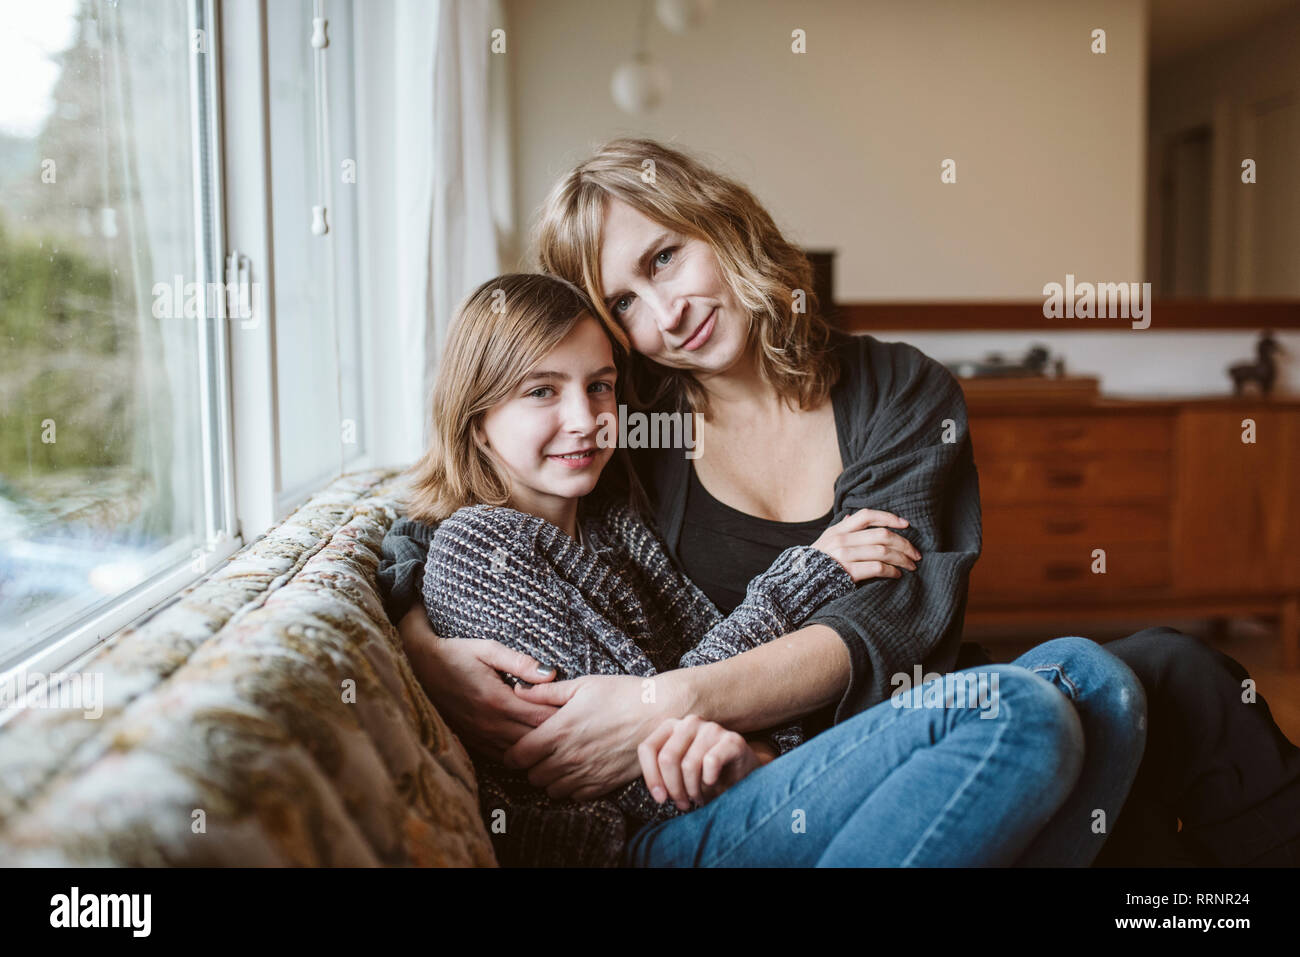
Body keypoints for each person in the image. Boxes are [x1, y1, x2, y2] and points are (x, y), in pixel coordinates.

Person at [384, 137, 1299, 867]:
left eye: (665, 259)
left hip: (875, 722)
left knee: (1152, 670)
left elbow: (892, 617)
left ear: (719, 223)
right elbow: (448, 516)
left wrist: (668, 699)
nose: (663, 314)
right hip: (730, 782)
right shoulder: (629, 428)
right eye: (624, 302)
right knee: (1104, 712)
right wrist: (421, 642)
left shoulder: (896, 389)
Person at [398, 271, 1145, 867]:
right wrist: (810, 570)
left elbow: (675, 691)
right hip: (637, 844)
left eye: (599, 386)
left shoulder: (615, 523)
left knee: (1089, 677)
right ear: (477, 419)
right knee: (1008, 710)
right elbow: (631, 758)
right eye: (541, 391)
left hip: (728, 793)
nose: (584, 416)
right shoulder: (477, 550)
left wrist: (752, 746)